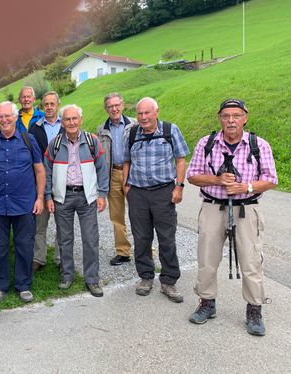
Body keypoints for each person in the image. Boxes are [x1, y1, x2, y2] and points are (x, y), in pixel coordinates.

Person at [186, 99, 278, 336]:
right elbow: (193, 176)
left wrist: (245, 187)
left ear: (245, 118)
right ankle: (207, 303)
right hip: (212, 207)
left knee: (251, 260)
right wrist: (216, 180)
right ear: (220, 118)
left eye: (236, 115)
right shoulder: (206, 143)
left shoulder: (259, 145)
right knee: (207, 258)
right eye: (226, 115)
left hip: (246, 208)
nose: (231, 120)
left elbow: (271, 179)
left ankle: (254, 309)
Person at [123, 97, 189, 303]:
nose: (143, 117)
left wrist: (179, 186)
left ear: (156, 112)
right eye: (140, 114)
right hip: (138, 194)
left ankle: (169, 281)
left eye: (147, 113)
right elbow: (126, 160)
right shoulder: (132, 132)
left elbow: (180, 159)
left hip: (164, 192)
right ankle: (146, 277)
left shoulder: (170, 130)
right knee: (141, 237)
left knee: (166, 238)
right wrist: (127, 187)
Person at [0, 101, 45, 303]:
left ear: (16, 117)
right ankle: (0, 285)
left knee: (24, 245)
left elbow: (40, 170)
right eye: (0, 117)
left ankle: (23, 285)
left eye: (8, 116)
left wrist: (40, 197)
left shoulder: (29, 140)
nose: (4, 120)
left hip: (24, 202)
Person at [44, 105, 109, 296]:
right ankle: (67, 275)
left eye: (74, 119)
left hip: (86, 197)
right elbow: (47, 172)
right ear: (62, 122)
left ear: (80, 120)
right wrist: (48, 196)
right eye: (67, 119)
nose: (71, 122)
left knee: (90, 239)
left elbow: (102, 169)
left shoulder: (92, 141)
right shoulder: (54, 144)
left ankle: (92, 279)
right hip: (62, 197)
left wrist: (102, 194)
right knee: (65, 239)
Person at [97, 92, 136, 266]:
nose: (114, 109)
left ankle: (146, 251)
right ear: (106, 109)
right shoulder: (101, 129)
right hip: (113, 174)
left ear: (122, 105)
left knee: (139, 214)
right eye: (110, 106)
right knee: (117, 215)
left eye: (116, 105)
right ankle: (123, 252)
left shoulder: (134, 124)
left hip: (133, 174)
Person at [29, 91, 64, 271]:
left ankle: (61, 258)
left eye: (52, 103)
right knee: (39, 223)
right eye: (46, 104)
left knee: (62, 224)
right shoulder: (34, 128)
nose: (49, 107)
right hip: (41, 180)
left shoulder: (67, 125)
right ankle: (38, 258)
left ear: (58, 105)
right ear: (42, 107)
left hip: (64, 181)